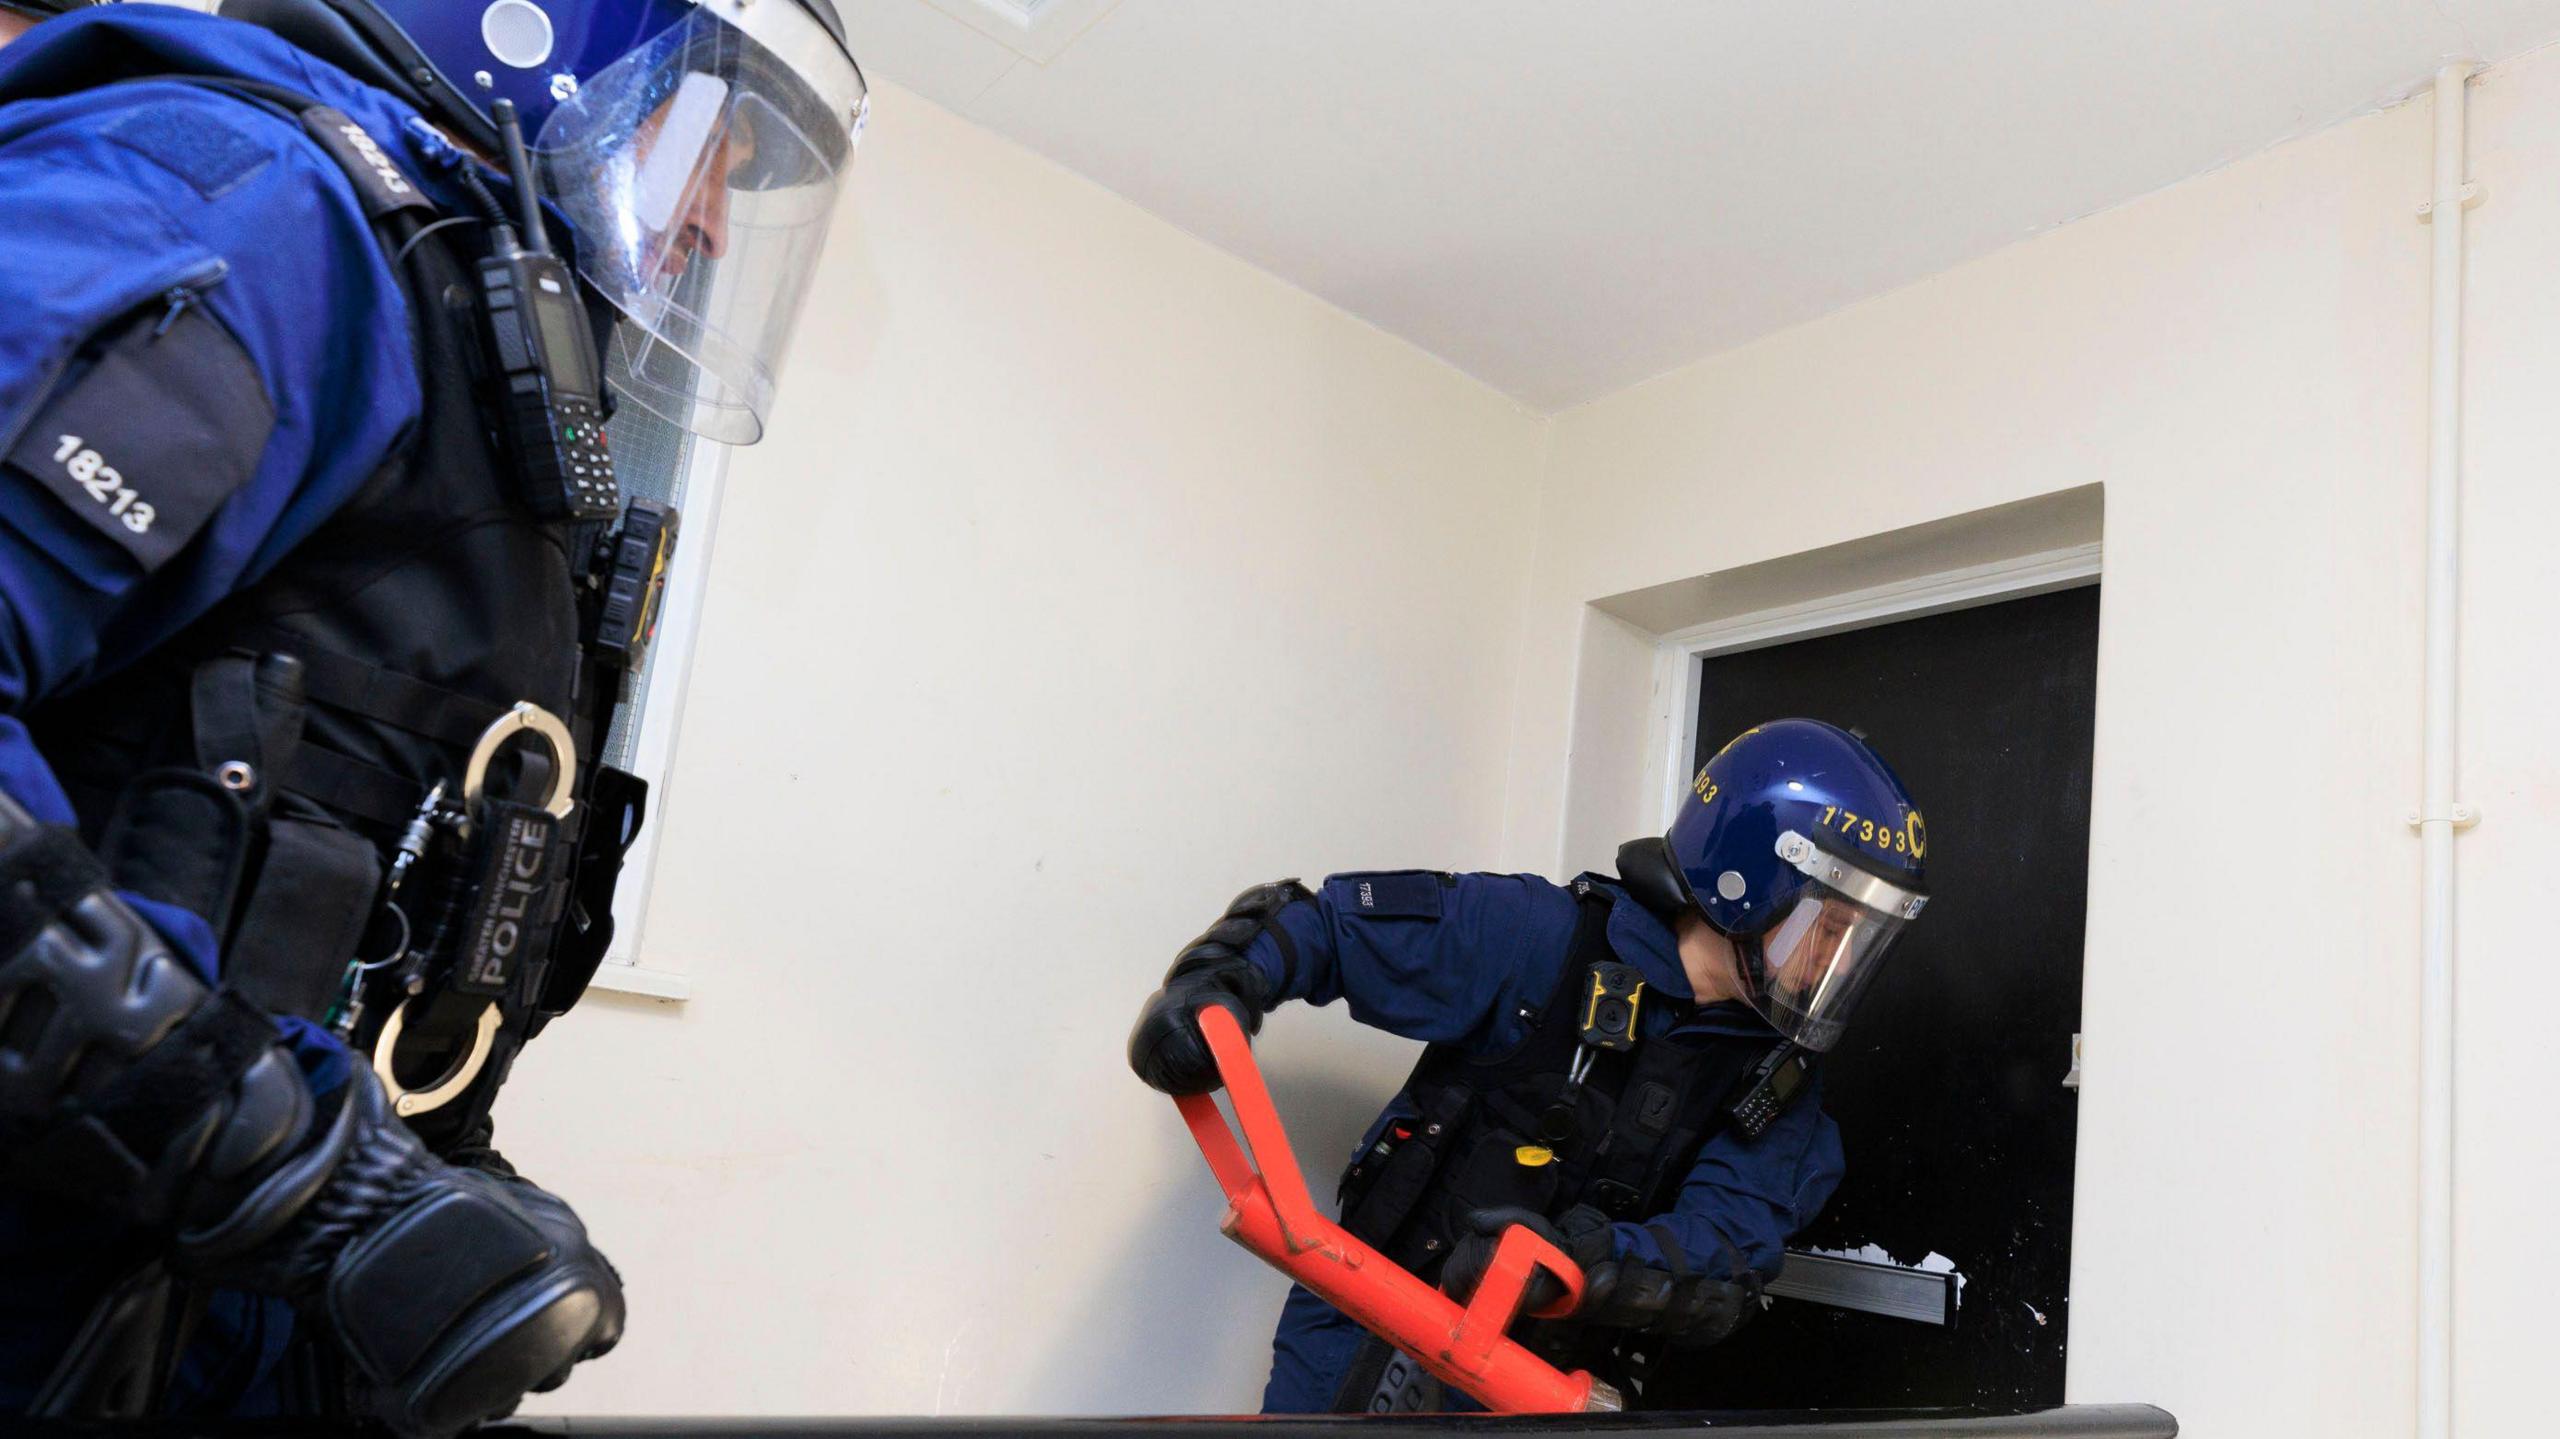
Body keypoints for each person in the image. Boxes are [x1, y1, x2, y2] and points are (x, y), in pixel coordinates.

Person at [0, 0, 867, 1430]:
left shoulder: (459, 316)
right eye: (709, 144)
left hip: (159, 1321)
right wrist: (291, 1166)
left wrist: (443, 1174)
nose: (710, 225)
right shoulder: (266, 208)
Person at [1129, 719, 1933, 1412]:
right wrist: (1220, 980)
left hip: (1542, 1384)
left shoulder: (1778, 1082)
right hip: (1367, 1320)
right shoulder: (1537, 939)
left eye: (1855, 939)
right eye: (1828, 926)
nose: (1833, 958)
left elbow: (1725, 1253)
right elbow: (1325, 929)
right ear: (1748, 880)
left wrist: (1572, 1266)